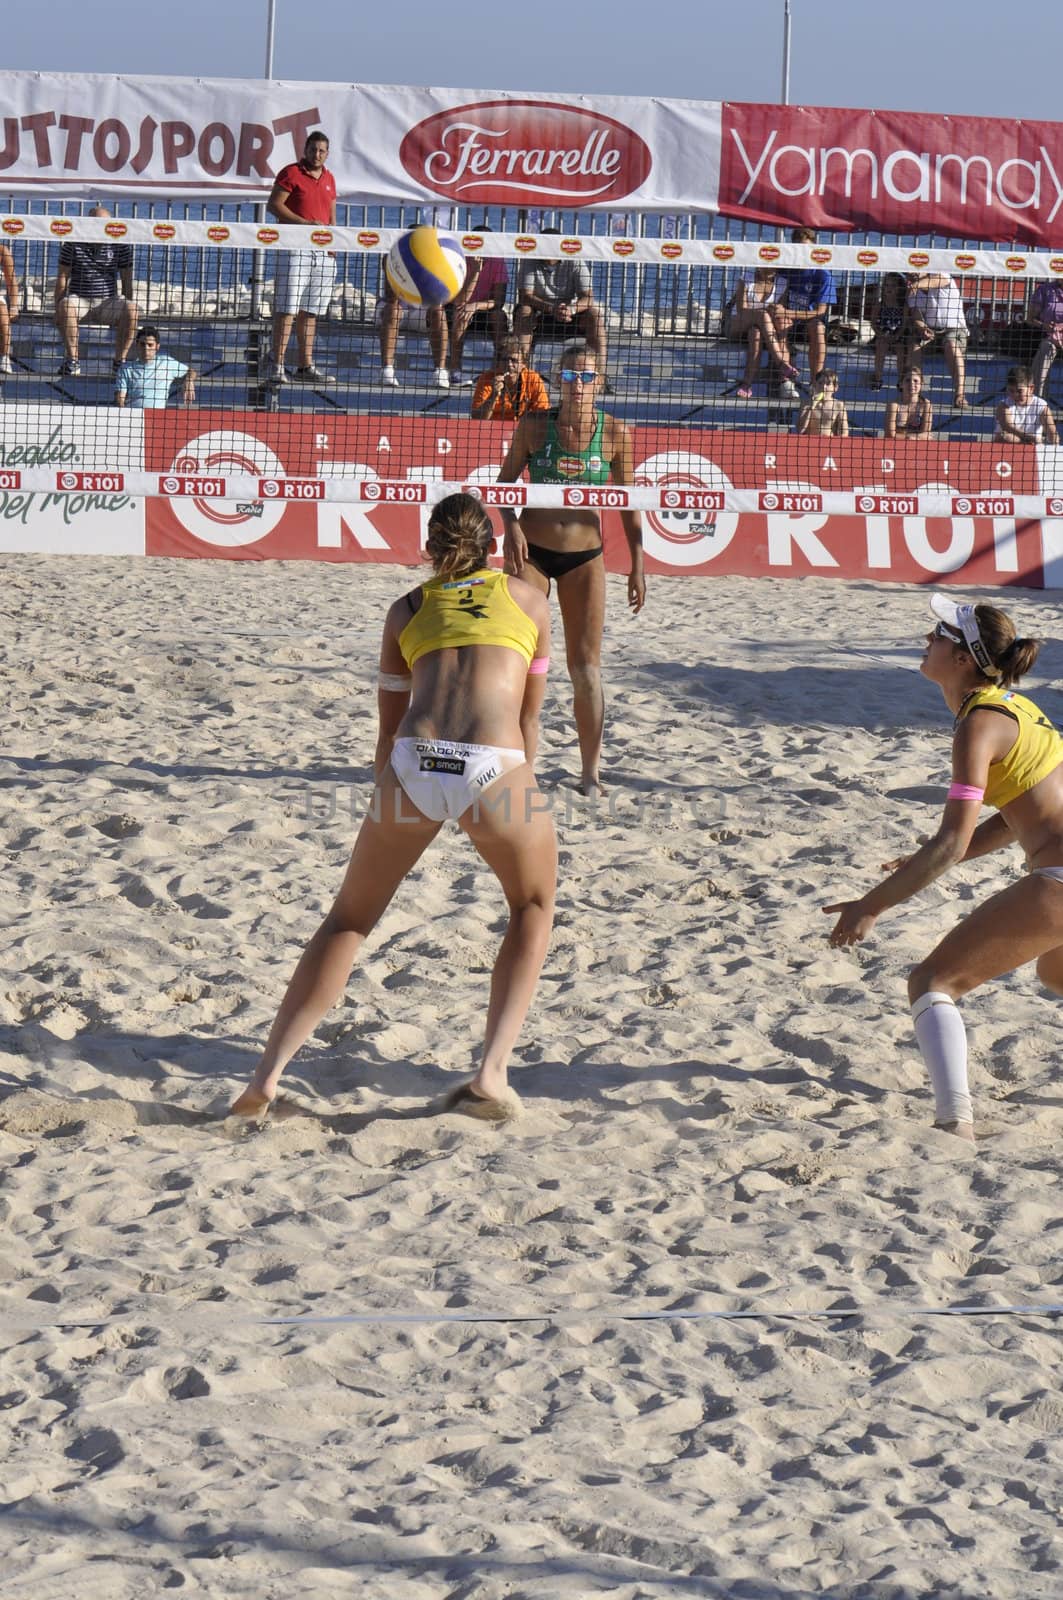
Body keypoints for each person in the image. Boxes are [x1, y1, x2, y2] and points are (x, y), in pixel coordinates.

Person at [231, 493, 556, 1124]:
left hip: (415, 762)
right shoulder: (531, 600)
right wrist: (517, 788)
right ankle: (492, 1070)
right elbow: (528, 718)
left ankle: (266, 1076)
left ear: (431, 546)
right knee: (533, 905)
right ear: (492, 544)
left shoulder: (405, 608)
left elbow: (387, 731)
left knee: (348, 922)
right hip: (496, 767)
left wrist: (395, 796)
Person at [824, 594, 1063, 1141]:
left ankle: (954, 1122)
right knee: (1055, 974)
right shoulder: (1017, 709)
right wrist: (919, 861)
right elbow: (1012, 822)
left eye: (937, 634)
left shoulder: (978, 725)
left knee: (932, 981)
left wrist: (870, 906)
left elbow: (950, 844)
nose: (925, 641)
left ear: (962, 660)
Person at [496, 340, 646, 796]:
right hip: (533, 551)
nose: (578, 384)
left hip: (586, 556)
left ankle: (590, 773)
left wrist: (638, 564)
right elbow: (503, 485)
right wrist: (512, 528)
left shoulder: (616, 433)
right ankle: (521, 769)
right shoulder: (535, 426)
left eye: (586, 376)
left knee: (586, 668)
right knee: (520, 664)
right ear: (556, 380)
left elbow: (630, 505)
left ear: (599, 383)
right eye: (569, 375)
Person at [267, 130, 337, 386]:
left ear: (327, 154)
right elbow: (274, 205)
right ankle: (277, 364)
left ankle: (305, 365)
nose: (316, 154)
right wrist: (306, 224)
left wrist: (333, 244)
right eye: (312, 149)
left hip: (323, 252)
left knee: (311, 311)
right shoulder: (291, 173)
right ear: (305, 149)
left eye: (321, 151)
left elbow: (331, 214)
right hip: (295, 246)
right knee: (287, 308)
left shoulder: (330, 178)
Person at [54, 205, 138, 377]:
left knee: (132, 309)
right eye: (96, 222)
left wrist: (129, 307)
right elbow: (62, 277)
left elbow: (127, 280)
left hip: (109, 301)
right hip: (80, 299)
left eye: (104, 223)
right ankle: (73, 361)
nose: (100, 226)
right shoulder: (73, 244)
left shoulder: (120, 245)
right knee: (65, 306)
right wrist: (57, 307)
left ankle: (119, 362)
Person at [752, 226, 836, 388]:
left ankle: (815, 382)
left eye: (805, 248)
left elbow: (820, 311)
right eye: (798, 248)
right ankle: (787, 379)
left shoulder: (823, 274)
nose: (801, 253)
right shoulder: (784, 269)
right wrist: (776, 309)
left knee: (818, 328)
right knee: (780, 322)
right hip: (786, 322)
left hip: (808, 322)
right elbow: (769, 293)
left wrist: (787, 312)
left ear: (813, 248)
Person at [514, 230, 606, 374]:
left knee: (595, 316)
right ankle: (521, 374)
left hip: (567, 314)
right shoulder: (529, 260)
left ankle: (600, 375)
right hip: (539, 314)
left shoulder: (575, 260)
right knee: (524, 311)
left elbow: (588, 298)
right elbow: (525, 296)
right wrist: (551, 308)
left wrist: (572, 309)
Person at [447, 229, 509, 386]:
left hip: (483, 309)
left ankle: (498, 370)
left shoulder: (497, 261)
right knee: (460, 314)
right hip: (458, 306)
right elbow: (459, 301)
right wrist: (475, 271)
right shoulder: (459, 259)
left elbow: (499, 300)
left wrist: (475, 306)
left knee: (499, 316)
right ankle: (455, 370)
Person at [905, 271, 970, 409]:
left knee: (951, 345)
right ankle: (915, 395)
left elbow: (934, 281)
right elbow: (916, 316)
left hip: (954, 330)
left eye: (915, 271)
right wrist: (922, 328)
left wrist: (915, 285)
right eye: (909, 274)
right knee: (914, 346)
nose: (912, 275)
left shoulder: (942, 276)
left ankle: (960, 394)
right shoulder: (913, 292)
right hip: (931, 331)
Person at [378, 275, 451, 390]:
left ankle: (440, 372)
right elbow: (391, 297)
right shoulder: (393, 258)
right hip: (394, 306)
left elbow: (443, 298)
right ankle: (387, 370)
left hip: (420, 310)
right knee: (393, 310)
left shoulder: (436, 260)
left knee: (438, 312)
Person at [728, 267, 783, 399]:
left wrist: (772, 311)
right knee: (763, 315)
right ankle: (781, 362)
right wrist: (764, 311)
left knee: (755, 333)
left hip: (762, 329)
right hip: (738, 323)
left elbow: (780, 311)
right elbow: (742, 309)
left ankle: (747, 384)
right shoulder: (746, 278)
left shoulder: (782, 282)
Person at [114, 324, 195, 408]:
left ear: (157, 346)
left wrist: (189, 380)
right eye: (142, 344)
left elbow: (191, 371)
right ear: (137, 344)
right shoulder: (126, 368)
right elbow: (120, 398)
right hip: (134, 414)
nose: (146, 348)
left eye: (150, 345)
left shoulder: (167, 363)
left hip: (157, 416)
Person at [471, 337, 549, 421]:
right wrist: (493, 395)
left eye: (514, 360)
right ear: (498, 362)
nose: (509, 364)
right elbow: (477, 418)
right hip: (493, 429)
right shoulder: (487, 378)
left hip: (523, 429)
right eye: (505, 359)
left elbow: (543, 413)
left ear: (523, 364)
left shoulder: (533, 378)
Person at [995, 364, 1058, 444]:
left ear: (1031, 388)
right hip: (1007, 448)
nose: (1015, 395)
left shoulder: (1041, 405)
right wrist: (1029, 438)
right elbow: (1007, 426)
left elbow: (1052, 432)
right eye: (1011, 390)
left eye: (1019, 391)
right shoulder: (1004, 405)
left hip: (1033, 449)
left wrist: (1055, 447)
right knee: (1007, 438)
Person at [869, 272, 908, 391]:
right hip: (882, 334)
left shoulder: (903, 306)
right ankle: (878, 378)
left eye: (893, 286)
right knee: (881, 346)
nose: (889, 288)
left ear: (900, 289)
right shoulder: (880, 305)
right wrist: (881, 334)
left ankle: (901, 381)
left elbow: (904, 324)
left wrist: (897, 336)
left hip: (898, 335)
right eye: (887, 285)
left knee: (901, 351)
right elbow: (873, 323)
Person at [1029, 278, 1063, 398]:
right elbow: (1030, 318)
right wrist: (1044, 325)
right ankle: (1038, 400)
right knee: (1047, 349)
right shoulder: (1045, 290)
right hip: (1049, 335)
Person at [884, 366, 933, 439]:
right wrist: (908, 437)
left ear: (921, 384)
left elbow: (926, 434)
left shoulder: (926, 405)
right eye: (908, 380)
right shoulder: (893, 405)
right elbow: (889, 434)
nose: (911, 384)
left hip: (917, 446)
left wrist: (913, 438)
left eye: (915, 381)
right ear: (901, 384)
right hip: (895, 445)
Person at [795, 369, 849, 436]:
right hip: (810, 442)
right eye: (820, 383)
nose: (824, 387)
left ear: (835, 388)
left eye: (828, 384)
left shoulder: (838, 405)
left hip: (830, 444)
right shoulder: (806, 403)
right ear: (815, 385)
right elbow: (800, 430)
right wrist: (811, 407)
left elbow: (844, 433)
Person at [0, 242, 18, 375]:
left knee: (2, 310)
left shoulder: (2, 251)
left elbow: (11, 281)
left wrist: (14, 306)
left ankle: (4, 357)